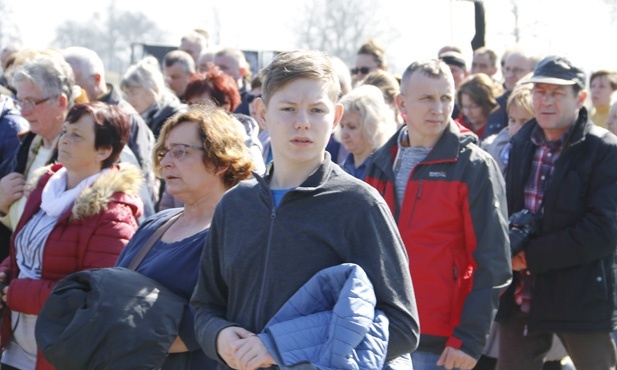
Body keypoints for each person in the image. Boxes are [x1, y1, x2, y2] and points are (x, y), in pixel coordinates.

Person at [191, 50, 419, 370]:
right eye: (287, 108)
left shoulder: (359, 205)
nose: (302, 123)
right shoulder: (234, 205)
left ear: (336, 117)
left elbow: (401, 326)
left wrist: (283, 348)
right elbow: (205, 306)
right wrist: (219, 335)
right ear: (261, 112)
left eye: (317, 110)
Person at [364, 59, 511, 370]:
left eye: (446, 98)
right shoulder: (379, 162)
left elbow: (493, 262)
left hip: (440, 343)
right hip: (378, 331)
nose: (439, 109)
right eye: (427, 98)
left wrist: (469, 341)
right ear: (402, 103)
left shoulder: (475, 166)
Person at [0, 102, 143, 370]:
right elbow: (25, 249)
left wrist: (18, 291)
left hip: (61, 356)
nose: (64, 140)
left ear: (104, 150)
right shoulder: (47, 185)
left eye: (76, 135)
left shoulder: (114, 213)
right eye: (65, 131)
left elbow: (95, 295)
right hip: (15, 347)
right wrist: (6, 271)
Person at [496, 55, 617, 370]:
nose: (545, 101)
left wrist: (530, 257)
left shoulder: (604, 150)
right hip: (522, 291)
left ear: (580, 98)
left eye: (556, 93)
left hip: (581, 292)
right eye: (539, 92)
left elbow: (603, 230)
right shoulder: (521, 142)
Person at [116, 105, 253, 370]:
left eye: (181, 152)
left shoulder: (236, 236)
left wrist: (116, 331)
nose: (166, 161)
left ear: (221, 161)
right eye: (165, 152)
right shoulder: (155, 224)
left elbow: (197, 327)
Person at [62, 46, 158, 213]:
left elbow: (140, 178)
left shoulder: (126, 118)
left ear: (97, 79)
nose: (70, 93)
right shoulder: (73, 114)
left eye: (75, 86)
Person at [334, 85, 396, 179]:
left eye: (352, 127)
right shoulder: (339, 170)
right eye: (342, 126)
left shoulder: (387, 170)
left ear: (372, 127)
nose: (344, 134)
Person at [121, 56, 185, 138]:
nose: (129, 100)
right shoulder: (134, 119)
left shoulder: (176, 118)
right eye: (127, 93)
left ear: (155, 90)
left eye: (134, 92)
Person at [484, 48, 540, 137]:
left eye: (517, 70)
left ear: (534, 72)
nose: (509, 75)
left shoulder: (540, 108)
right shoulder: (496, 110)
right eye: (507, 69)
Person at [456, 73, 503, 140]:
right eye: (465, 106)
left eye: (473, 106)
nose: (468, 112)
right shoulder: (456, 127)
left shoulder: (498, 127)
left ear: (487, 103)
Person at [213, 48, 252, 115]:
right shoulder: (208, 96)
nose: (217, 72)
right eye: (215, 68)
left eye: (223, 68)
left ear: (241, 72)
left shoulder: (251, 101)